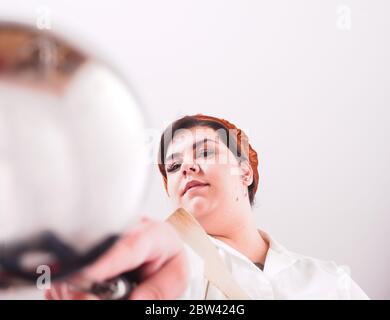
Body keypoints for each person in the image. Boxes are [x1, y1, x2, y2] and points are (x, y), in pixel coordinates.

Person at [46, 114, 369, 300]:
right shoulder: (158, 273)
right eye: (173, 167)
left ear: (245, 171)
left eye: (204, 153)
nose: (186, 168)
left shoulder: (328, 279)